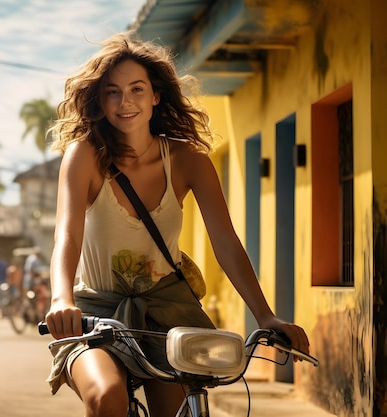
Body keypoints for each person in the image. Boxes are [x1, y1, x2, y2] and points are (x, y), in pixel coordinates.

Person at [43, 32, 311, 417]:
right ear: (99, 101)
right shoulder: (84, 155)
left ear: (156, 95)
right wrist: (61, 299)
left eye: (137, 89)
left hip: (167, 310)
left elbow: (226, 242)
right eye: (112, 92)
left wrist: (265, 315)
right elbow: (67, 234)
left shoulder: (188, 160)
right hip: (94, 309)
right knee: (106, 398)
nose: (125, 101)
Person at [23, 247, 49, 322]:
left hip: (35, 282)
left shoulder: (38, 260)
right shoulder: (32, 259)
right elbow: (30, 271)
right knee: (30, 299)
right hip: (31, 283)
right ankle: (28, 315)